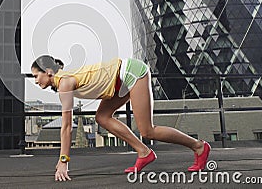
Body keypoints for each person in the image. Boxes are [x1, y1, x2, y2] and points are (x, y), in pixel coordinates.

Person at [31, 55, 211, 182]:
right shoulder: (63, 82)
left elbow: (67, 126)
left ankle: (199, 146)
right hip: (117, 82)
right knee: (102, 117)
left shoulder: (65, 83)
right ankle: (144, 152)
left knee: (147, 130)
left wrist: (64, 161)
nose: (35, 80)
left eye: (36, 76)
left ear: (48, 71)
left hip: (131, 72)